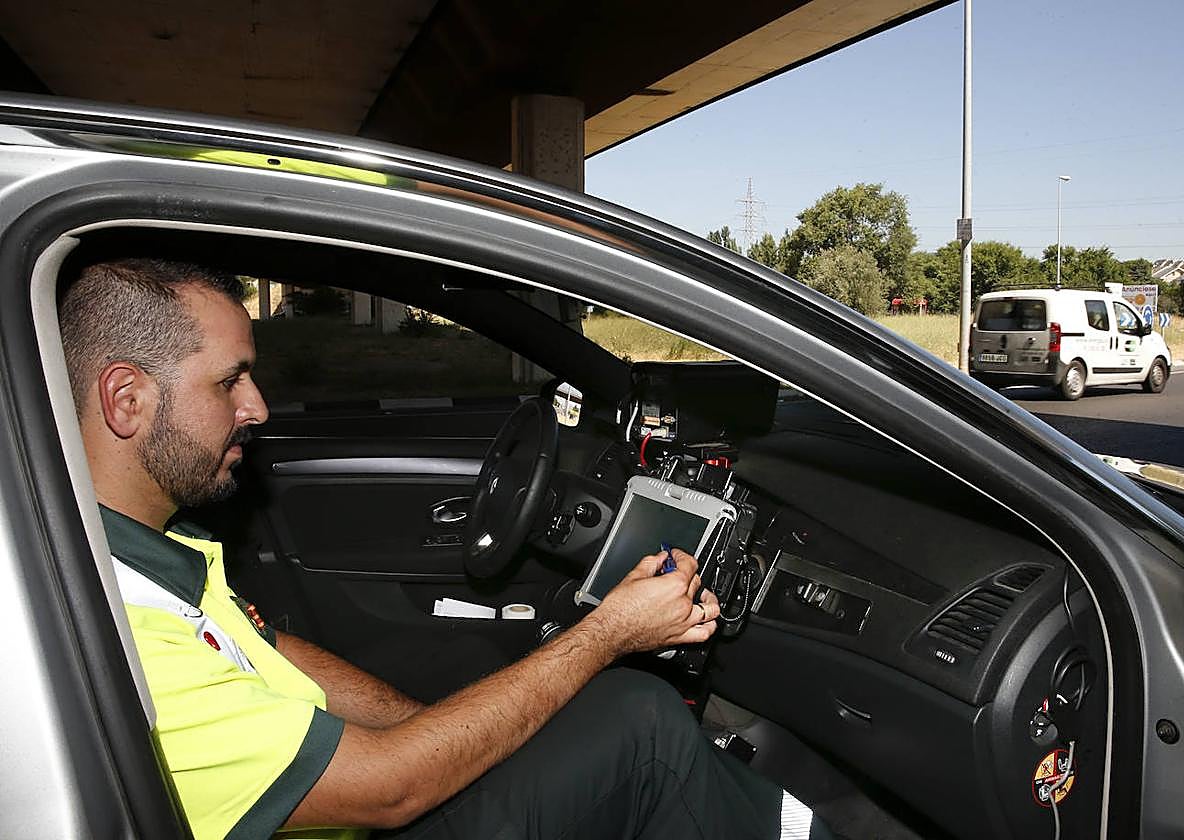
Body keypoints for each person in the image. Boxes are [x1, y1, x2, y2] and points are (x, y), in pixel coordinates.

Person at [59, 257, 832, 840]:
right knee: (650, 729)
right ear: (127, 399)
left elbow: (269, 648)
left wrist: (426, 730)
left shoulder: (141, 546)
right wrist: (608, 634)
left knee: (625, 712)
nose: (259, 407)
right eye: (231, 382)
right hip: (369, 820)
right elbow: (389, 793)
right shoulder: (113, 633)